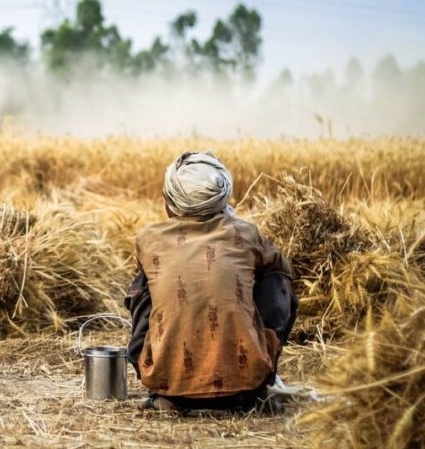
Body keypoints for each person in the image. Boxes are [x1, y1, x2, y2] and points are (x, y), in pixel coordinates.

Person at [125, 151, 297, 414]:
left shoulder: (149, 239)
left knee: (145, 283)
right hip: (245, 389)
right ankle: (257, 370)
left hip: (168, 385)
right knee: (276, 277)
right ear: (222, 199)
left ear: (168, 202)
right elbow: (283, 275)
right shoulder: (247, 234)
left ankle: (163, 376)